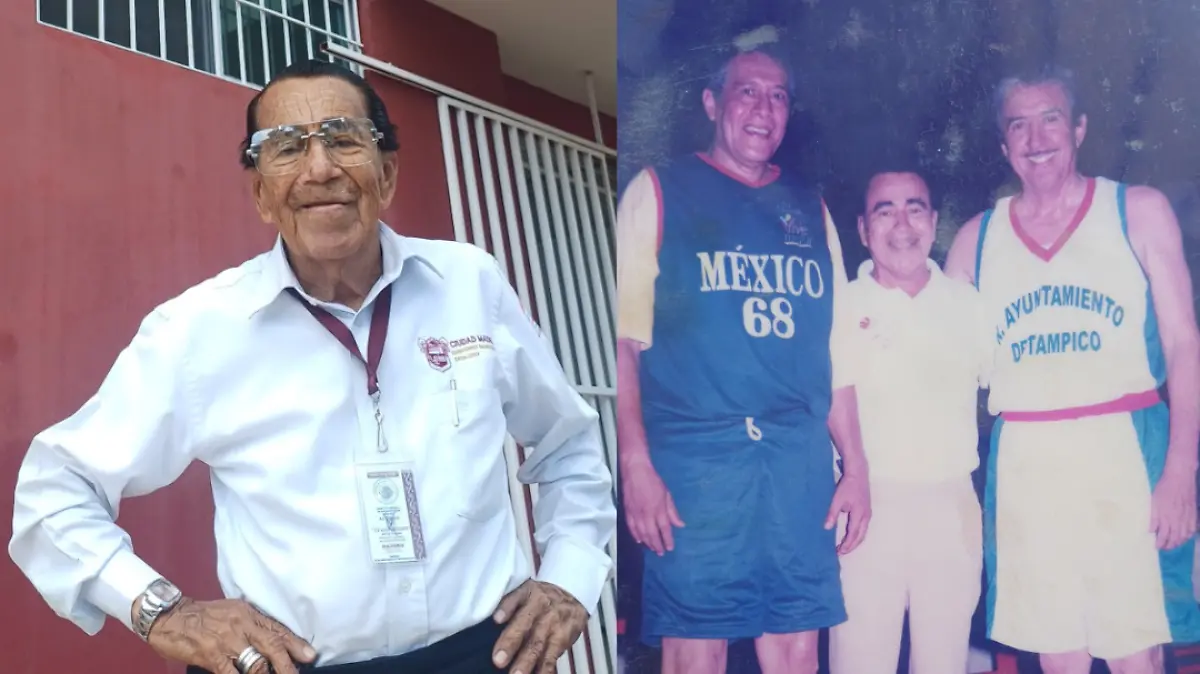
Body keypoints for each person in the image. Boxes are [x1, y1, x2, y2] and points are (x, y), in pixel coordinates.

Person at [9, 59, 616, 674]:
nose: (320, 169)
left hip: (483, 655)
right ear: (259, 192)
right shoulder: (198, 329)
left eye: (345, 139)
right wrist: (163, 612)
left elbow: (567, 443)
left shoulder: (469, 283)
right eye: (286, 148)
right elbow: (53, 491)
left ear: (388, 173)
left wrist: (570, 576)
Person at [615, 44, 869, 674]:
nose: (764, 108)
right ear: (712, 102)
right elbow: (623, 341)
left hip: (796, 458)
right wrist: (636, 463)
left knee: (796, 647)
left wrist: (857, 465)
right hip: (699, 458)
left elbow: (838, 353)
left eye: (778, 95)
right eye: (748, 92)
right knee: (696, 649)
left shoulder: (811, 209)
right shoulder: (659, 191)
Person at [944, 64, 1200, 674]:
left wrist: (1182, 470)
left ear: (1080, 128)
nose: (1036, 140)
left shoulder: (1136, 210)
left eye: (1051, 119)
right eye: (1019, 127)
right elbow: (934, 361)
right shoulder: (976, 239)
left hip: (1123, 449)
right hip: (1027, 457)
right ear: (1004, 145)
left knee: (1136, 652)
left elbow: (1185, 342)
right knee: (1058, 654)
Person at [827, 170, 989, 674]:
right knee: (859, 663)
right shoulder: (839, 305)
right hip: (866, 509)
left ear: (935, 221)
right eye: (884, 210)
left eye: (915, 208)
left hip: (951, 506)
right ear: (861, 228)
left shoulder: (970, 306)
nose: (902, 224)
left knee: (943, 663)